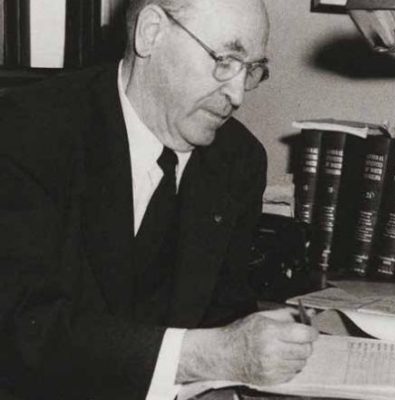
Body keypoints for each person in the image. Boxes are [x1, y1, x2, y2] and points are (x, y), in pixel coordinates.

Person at [0, 0, 318, 399]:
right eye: (225, 60)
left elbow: (224, 311)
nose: (237, 95)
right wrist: (211, 356)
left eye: (252, 70)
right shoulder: (25, 133)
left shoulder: (237, 160)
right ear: (150, 33)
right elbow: (23, 331)